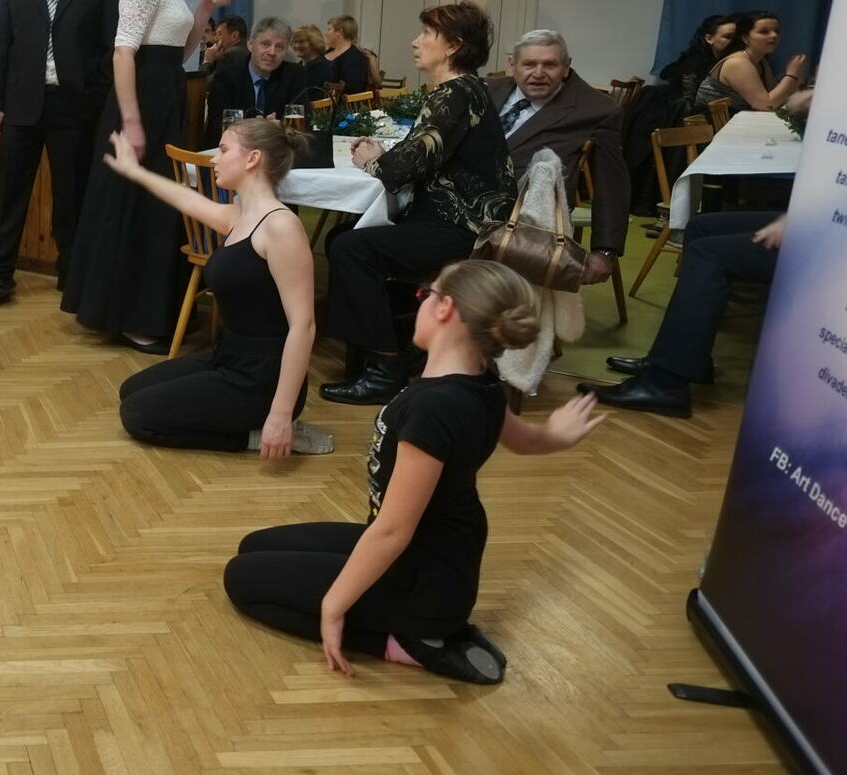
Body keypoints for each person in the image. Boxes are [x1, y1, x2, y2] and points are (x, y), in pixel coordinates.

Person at [225, 260, 606, 683]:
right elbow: (527, 442)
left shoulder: (433, 408)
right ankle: (421, 627)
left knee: (241, 580)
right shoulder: (482, 385)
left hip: (423, 584)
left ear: (445, 308)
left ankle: (413, 643)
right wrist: (557, 434)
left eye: (427, 292)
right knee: (254, 546)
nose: (419, 300)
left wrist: (334, 606)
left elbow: (393, 531)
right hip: (436, 558)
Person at [61, 0, 230, 351]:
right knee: (137, 206)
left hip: (165, 96)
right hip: (141, 105)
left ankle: (153, 311)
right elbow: (123, 54)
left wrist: (206, 8)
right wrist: (132, 123)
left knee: (158, 205)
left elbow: (179, 53)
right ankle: (129, 317)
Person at [321, 2, 515, 403]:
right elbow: (417, 156)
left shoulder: (455, 94)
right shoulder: (466, 90)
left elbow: (400, 171)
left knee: (351, 248)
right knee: (343, 239)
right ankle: (396, 345)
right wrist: (385, 157)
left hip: (464, 228)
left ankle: (385, 368)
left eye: (427, 33)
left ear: (453, 46)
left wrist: (370, 159)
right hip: (455, 219)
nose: (416, 41)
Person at [105, 118, 332, 455]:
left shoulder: (281, 227)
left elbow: (304, 326)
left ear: (252, 158)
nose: (214, 159)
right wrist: (134, 171)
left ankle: (257, 436)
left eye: (224, 150)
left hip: (260, 378)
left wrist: (281, 415)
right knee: (132, 390)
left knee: (137, 415)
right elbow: (185, 199)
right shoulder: (239, 216)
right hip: (227, 357)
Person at [0, 0, 123, 304]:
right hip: (21, 104)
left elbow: (111, 44)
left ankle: (72, 275)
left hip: (75, 105)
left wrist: (99, 94)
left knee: (72, 196)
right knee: (9, 194)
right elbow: (0, 44)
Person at [579, 211, 785, 418]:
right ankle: (687, 359)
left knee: (708, 254)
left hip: (806, 240)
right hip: (800, 219)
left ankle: (663, 384)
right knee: (699, 227)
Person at [485, 29, 628, 283]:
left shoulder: (596, 110)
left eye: (550, 64)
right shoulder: (487, 90)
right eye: (529, 64)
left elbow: (612, 184)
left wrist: (605, 250)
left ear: (566, 66)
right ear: (512, 65)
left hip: (522, 225)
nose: (539, 73)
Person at [696, 9, 807, 111]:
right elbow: (766, 105)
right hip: (716, 124)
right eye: (764, 31)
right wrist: (792, 74)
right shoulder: (737, 62)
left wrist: (798, 76)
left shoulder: (761, 60)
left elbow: (776, 96)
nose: (774, 35)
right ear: (745, 37)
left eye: (776, 31)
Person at [207, 16, 305, 131]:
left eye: (279, 47)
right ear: (250, 44)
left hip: (278, 141)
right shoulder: (226, 76)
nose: (272, 52)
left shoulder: (293, 74)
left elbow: (305, 124)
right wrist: (255, 129)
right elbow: (216, 125)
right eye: (265, 44)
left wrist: (281, 128)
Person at [656, 13, 736, 112]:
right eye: (728, 37)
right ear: (709, 39)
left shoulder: (730, 60)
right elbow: (689, 102)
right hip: (685, 116)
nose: (735, 42)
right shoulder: (694, 62)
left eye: (737, 37)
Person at [319, 15, 376, 95]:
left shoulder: (354, 58)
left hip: (333, 102)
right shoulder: (328, 51)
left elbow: (353, 90)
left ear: (340, 32)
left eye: (329, 29)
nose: (326, 34)